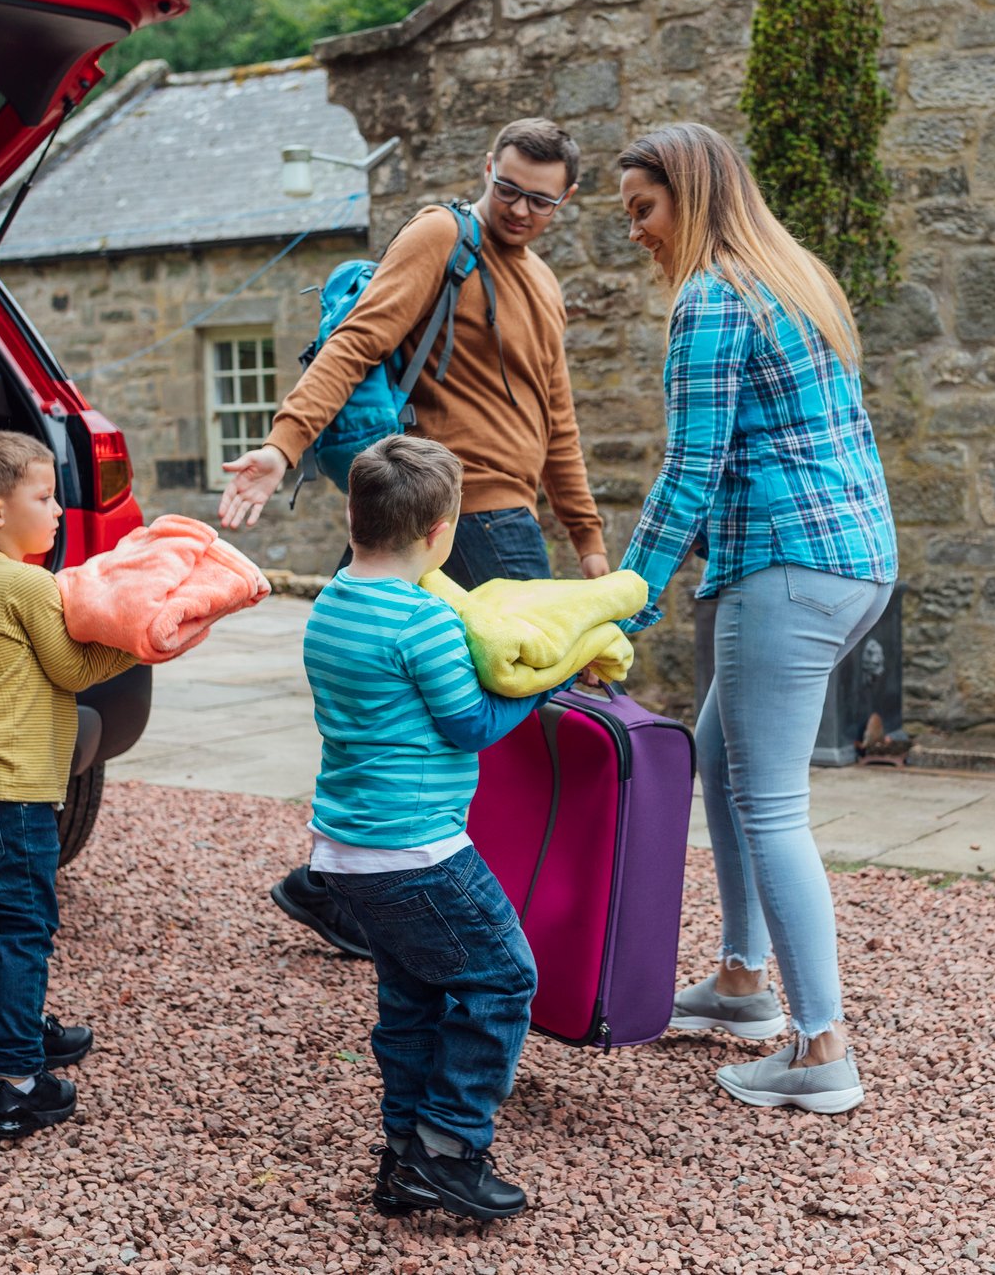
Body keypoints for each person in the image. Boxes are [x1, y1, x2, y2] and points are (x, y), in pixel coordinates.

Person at [219, 117, 610, 961]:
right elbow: (357, 342)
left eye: (539, 200)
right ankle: (490, 897)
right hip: (447, 511)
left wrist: (586, 539)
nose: (519, 209)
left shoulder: (540, 281)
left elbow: (558, 417)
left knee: (393, 688)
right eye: (506, 188)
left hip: (507, 512)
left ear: (566, 200)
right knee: (530, 695)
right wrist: (282, 444)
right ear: (485, 169)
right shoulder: (442, 234)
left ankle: (338, 884)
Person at [614, 124, 898, 1115]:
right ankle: (742, 983)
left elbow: (689, 473)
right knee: (717, 758)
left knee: (770, 801)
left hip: (785, 569)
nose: (639, 234)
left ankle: (822, 1046)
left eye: (644, 211)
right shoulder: (795, 277)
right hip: (854, 562)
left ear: (689, 196)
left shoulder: (711, 296)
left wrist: (623, 602)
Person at [302, 435, 552, 1221]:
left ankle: (405, 1159)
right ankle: (449, 1149)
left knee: (411, 1001)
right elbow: (471, 724)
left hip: (345, 850)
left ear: (353, 512)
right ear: (443, 531)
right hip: (417, 849)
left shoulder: (330, 602)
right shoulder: (424, 624)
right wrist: (551, 678)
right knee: (503, 978)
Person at [0, 430, 137, 1140]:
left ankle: (26, 1031)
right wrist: (144, 639)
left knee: (11, 921)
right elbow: (74, 669)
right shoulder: (21, 581)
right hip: (6, 787)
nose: (57, 512)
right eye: (44, 498)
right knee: (25, 928)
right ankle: (19, 1082)